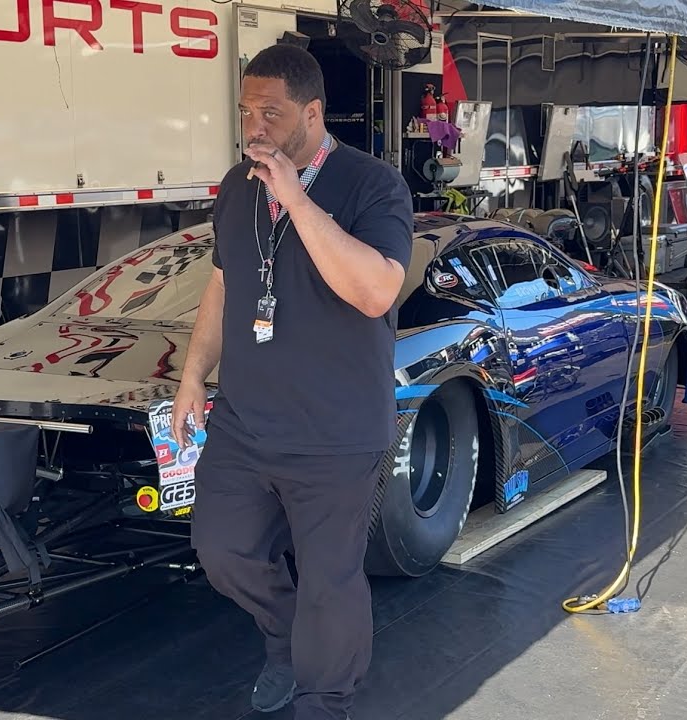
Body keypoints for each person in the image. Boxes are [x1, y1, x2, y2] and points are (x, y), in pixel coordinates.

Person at [169, 43, 413, 720]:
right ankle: (283, 642)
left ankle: (323, 700)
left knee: (329, 584)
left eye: (270, 112)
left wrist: (296, 199)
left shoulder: (373, 184)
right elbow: (222, 285)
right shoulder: (233, 186)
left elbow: (376, 291)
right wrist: (194, 377)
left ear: (312, 112)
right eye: (246, 110)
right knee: (221, 550)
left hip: (337, 430)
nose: (254, 126)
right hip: (247, 423)